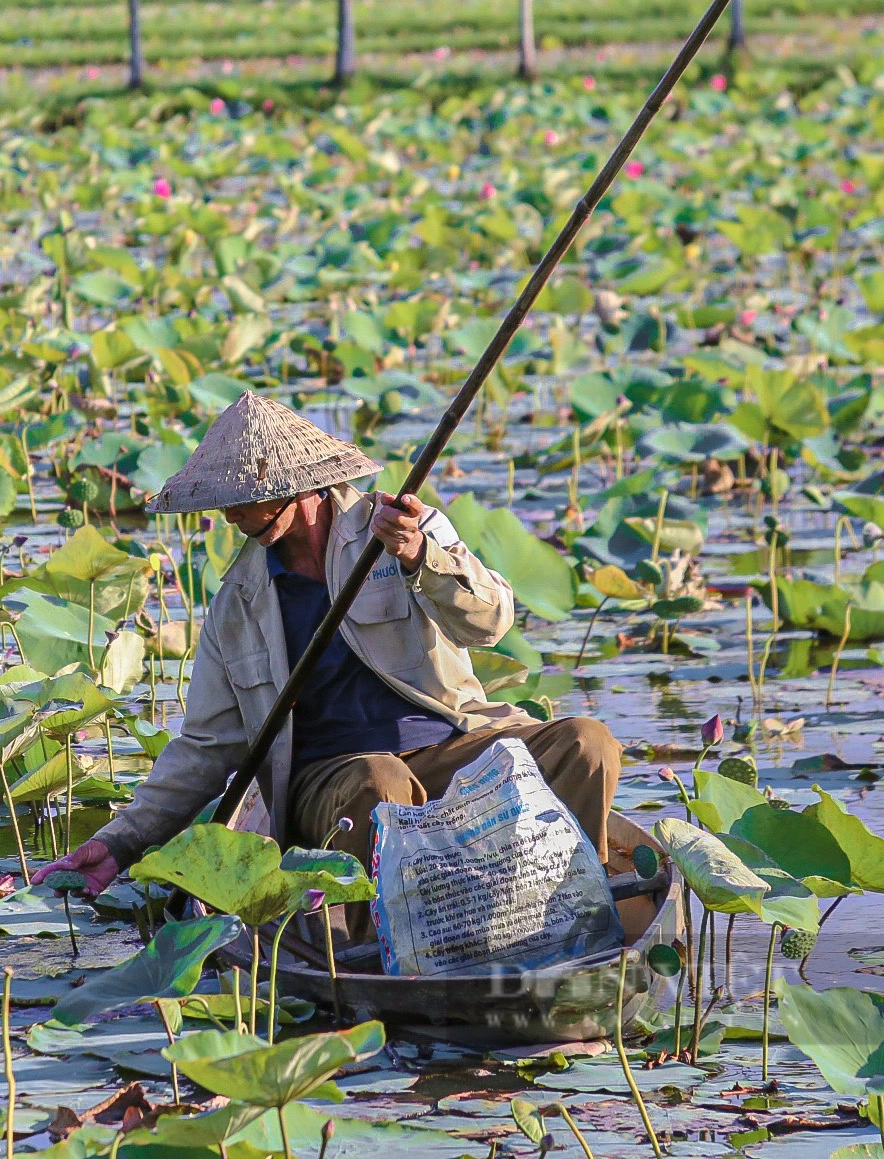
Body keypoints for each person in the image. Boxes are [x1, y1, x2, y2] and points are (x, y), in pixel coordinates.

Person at [32, 392, 620, 937]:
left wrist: (420, 556)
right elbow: (206, 748)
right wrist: (120, 843)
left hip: (451, 743)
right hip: (331, 781)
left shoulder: (404, 528)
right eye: (223, 503)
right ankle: (380, 940)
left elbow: (490, 623)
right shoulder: (237, 602)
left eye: (243, 498)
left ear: (299, 487)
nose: (231, 517)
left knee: (586, 741)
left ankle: (567, 907)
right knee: (381, 780)